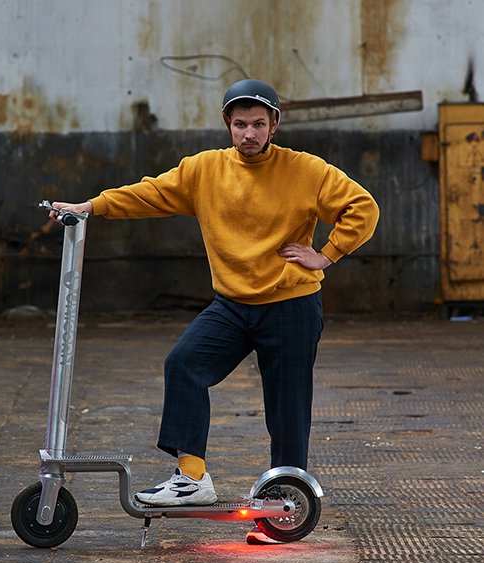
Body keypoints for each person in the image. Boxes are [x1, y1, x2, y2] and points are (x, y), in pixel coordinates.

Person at [51, 79, 379, 508]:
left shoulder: (306, 170)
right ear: (228, 124)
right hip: (232, 305)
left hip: (291, 306)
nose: (249, 134)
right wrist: (91, 207)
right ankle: (191, 478)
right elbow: (150, 193)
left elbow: (362, 207)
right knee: (184, 364)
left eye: (258, 124)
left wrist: (326, 255)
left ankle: (287, 494)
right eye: (240, 124)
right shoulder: (204, 170)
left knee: (288, 406)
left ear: (274, 125)